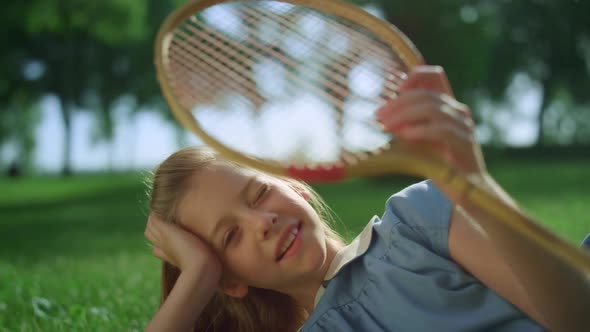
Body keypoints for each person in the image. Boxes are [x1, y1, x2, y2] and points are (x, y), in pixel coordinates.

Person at [143, 66, 590, 332]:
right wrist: (198, 274)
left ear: (295, 186)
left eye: (260, 193)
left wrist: (477, 189)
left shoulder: (416, 219)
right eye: (231, 236)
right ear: (229, 281)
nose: (262, 222)